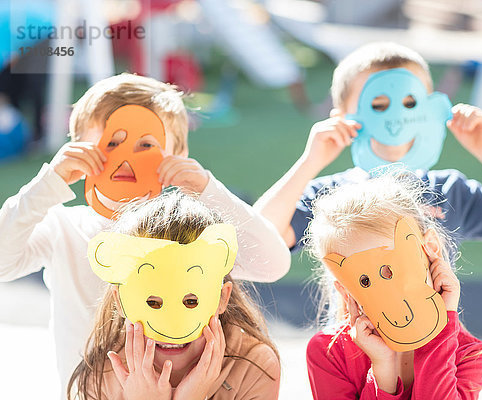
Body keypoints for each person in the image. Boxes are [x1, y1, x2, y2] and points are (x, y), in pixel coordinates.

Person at [0, 73, 290, 396]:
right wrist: (48, 184)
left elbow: (273, 263)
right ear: (79, 150)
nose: (126, 157)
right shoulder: (63, 228)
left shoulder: (188, 239)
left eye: (146, 144)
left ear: (177, 153)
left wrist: (207, 189)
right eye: (111, 143)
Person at [254, 42, 482, 250]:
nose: (396, 115)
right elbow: (260, 239)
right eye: (378, 103)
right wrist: (309, 162)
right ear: (344, 116)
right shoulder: (329, 197)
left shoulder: (450, 191)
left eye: (409, 102)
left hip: (435, 345)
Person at [68, 190, 280, 400]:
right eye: (152, 302)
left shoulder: (255, 367)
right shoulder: (103, 376)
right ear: (120, 301)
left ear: (222, 298)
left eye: (190, 301)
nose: (172, 324)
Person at [305, 173, 482, 399]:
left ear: (430, 247)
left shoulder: (472, 357)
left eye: (390, 270)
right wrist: (382, 369)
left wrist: (438, 331)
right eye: (365, 281)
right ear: (346, 291)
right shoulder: (328, 352)